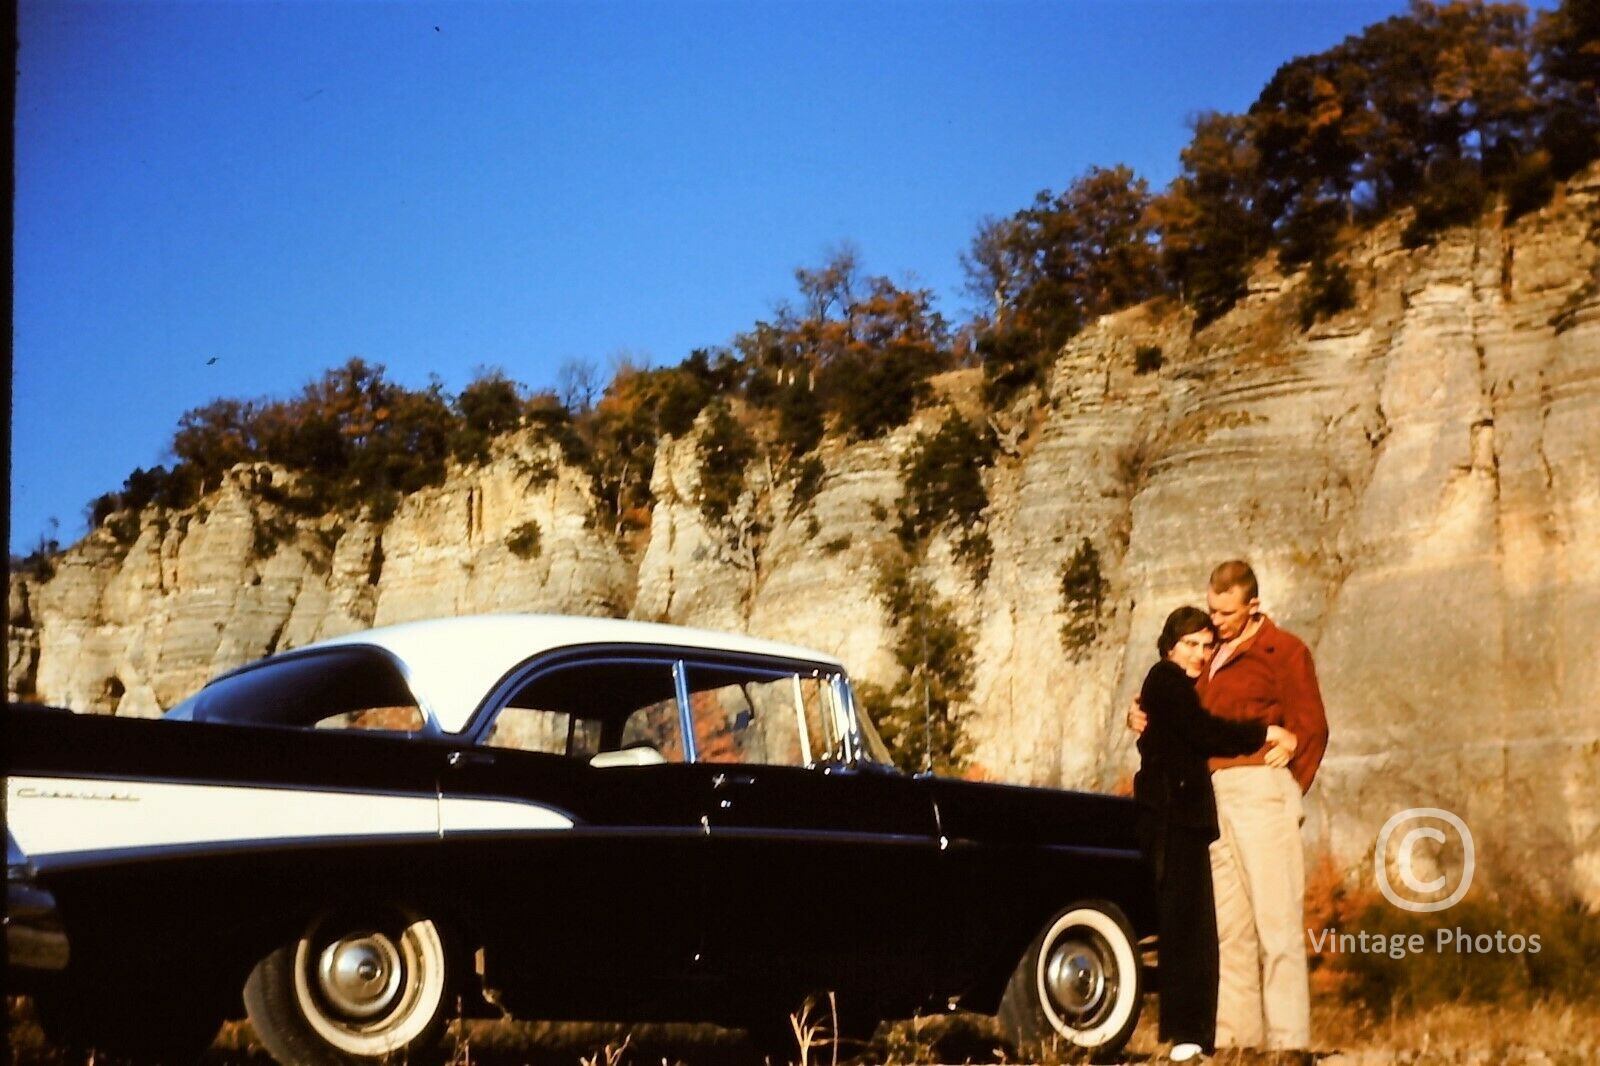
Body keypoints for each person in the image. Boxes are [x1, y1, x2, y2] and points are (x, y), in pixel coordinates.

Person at [1128, 561, 1329, 1056]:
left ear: (1253, 606)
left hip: (1261, 792)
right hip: (1209, 796)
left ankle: (1288, 1041)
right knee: (1227, 928)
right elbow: (1185, 724)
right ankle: (1237, 1038)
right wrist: (1142, 720)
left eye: (1226, 612)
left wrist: (1285, 789)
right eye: (1212, 610)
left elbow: (1312, 726)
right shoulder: (1205, 657)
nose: (1216, 621)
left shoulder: (1285, 651)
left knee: (1275, 921)